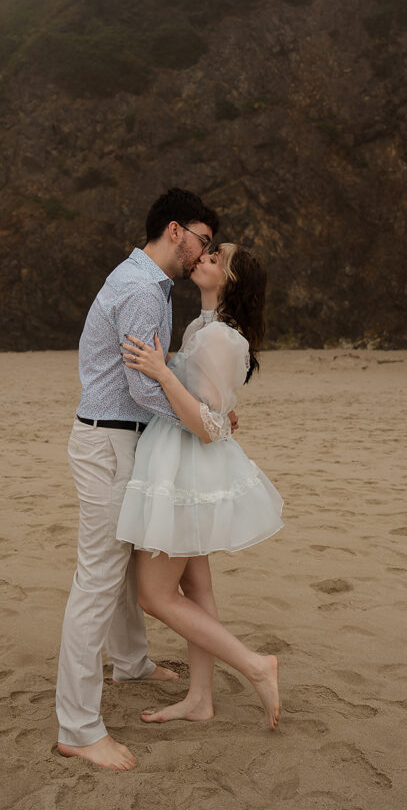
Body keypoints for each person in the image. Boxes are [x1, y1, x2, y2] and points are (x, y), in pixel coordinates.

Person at [55, 188, 219, 772]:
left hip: (119, 436)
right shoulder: (140, 290)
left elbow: (152, 375)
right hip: (110, 439)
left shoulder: (143, 282)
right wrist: (203, 419)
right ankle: (77, 726)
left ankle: (130, 663)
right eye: (201, 241)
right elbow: (141, 385)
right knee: (98, 578)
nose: (203, 254)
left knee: (123, 560)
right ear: (175, 230)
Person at [118, 243, 283, 730]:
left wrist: (162, 372)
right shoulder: (202, 329)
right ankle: (200, 699)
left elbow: (207, 426)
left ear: (229, 280)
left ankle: (255, 664)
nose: (204, 258)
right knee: (196, 586)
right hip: (179, 459)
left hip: (183, 464)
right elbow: (215, 409)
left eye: (216, 258)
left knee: (155, 596)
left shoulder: (220, 339)